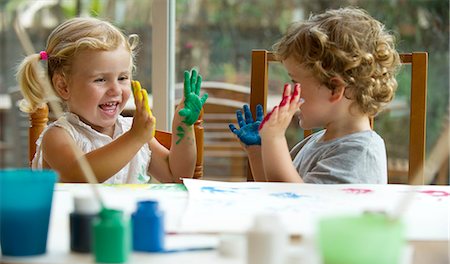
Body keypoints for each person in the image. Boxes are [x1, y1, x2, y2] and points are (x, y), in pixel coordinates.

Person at [17, 17, 207, 184]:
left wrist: (183, 126)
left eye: (123, 78)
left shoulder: (133, 131)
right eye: (100, 79)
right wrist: (135, 137)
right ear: (64, 86)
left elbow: (177, 175)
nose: (115, 89)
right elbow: (79, 175)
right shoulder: (59, 136)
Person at [230, 7, 401, 184]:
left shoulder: (359, 154)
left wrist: (274, 140)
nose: (289, 91)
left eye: (296, 82)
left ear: (335, 88)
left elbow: (294, 202)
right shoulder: (316, 141)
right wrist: (258, 151)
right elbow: (271, 189)